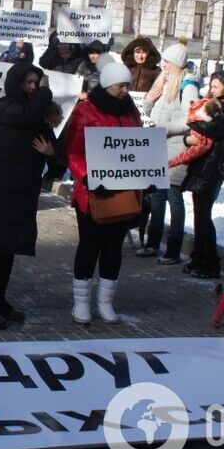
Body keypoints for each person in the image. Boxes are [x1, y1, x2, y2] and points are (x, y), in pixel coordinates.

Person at [0, 62, 57, 330]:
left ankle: (0, 300)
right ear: (16, 82)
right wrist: (46, 92)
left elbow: (56, 150)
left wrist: (50, 152)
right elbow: (26, 116)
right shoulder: (5, 106)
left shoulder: (37, 114)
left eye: (36, 83)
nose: (33, 87)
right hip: (0, 188)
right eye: (28, 82)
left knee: (9, 248)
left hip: (24, 189)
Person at [65, 62, 143, 324]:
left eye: (127, 86)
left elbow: (138, 147)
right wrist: (87, 177)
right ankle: (81, 304)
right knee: (90, 246)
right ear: (108, 84)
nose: (125, 90)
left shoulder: (131, 111)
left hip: (123, 192)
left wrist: (147, 175)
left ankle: (106, 303)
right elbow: (73, 151)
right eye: (121, 85)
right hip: (93, 194)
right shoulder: (86, 110)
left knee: (113, 248)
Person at [140, 43, 199, 262]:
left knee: (173, 197)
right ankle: (152, 244)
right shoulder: (163, 81)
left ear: (176, 64)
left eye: (167, 62)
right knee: (156, 196)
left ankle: (173, 250)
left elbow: (189, 118)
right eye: (162, 61)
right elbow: (149, 111)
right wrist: (148, 100)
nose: (162, 65)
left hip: (176, 147)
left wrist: (164, 128)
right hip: (157, 145)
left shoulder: (188, 86)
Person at [182, 70, 224, 280]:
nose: (212, 89)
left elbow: (214, 128)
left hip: (213, 166)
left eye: (216, 86)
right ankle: (198, 258)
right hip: (202, 163)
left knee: (204, 215)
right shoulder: (214, 103)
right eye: (212, 85)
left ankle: (210, 263)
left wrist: (192, 121)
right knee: (199, 214)